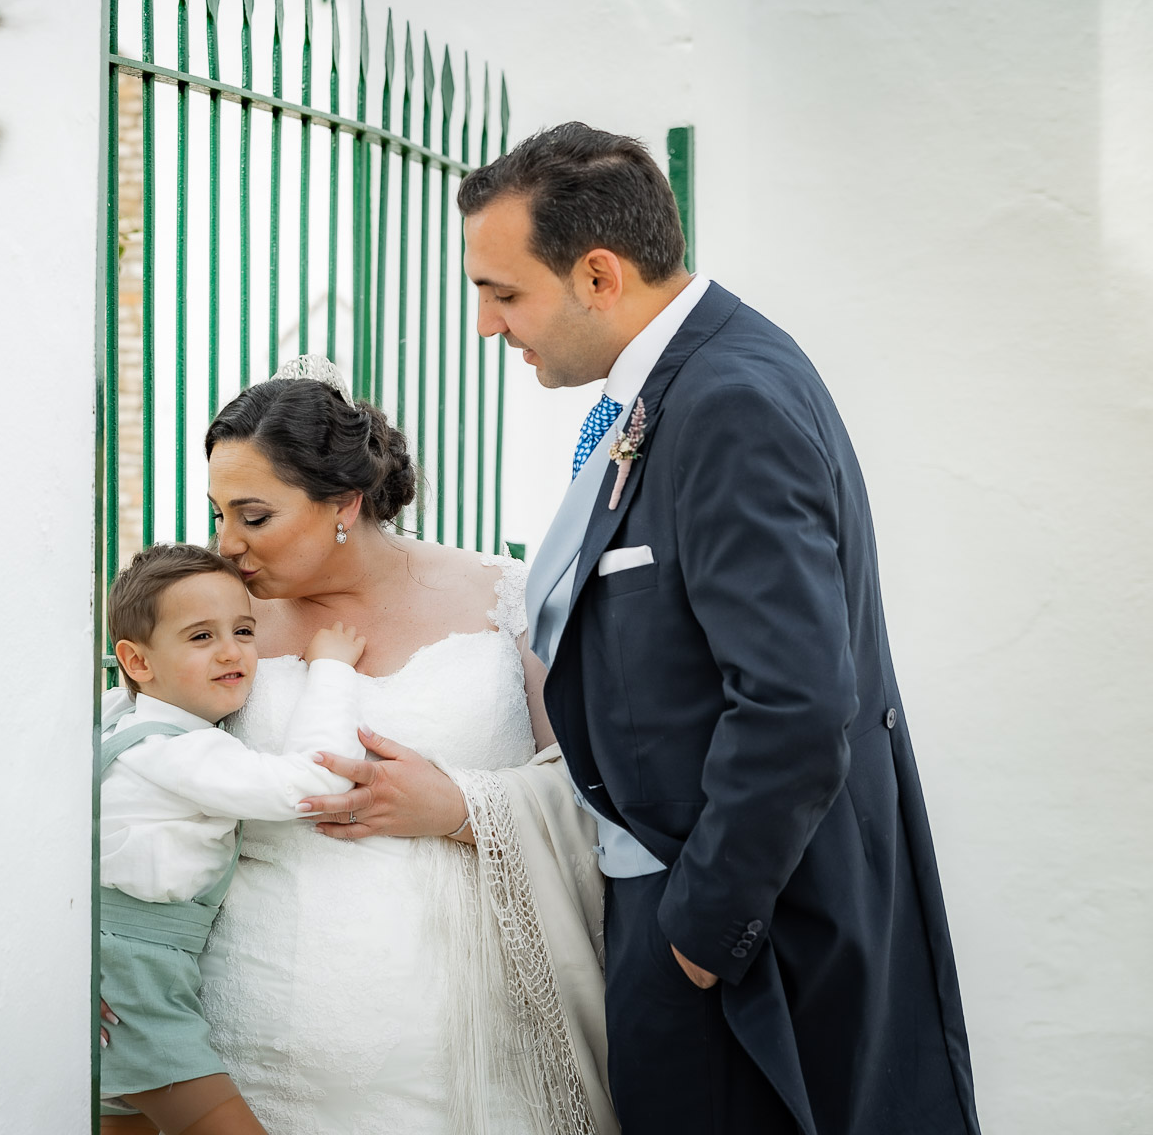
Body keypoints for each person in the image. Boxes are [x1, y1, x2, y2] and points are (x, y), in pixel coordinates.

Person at [299, 122, 983, 1135]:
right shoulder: (687, 378)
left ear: (601, 275)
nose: (486, 326)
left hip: (746, 940)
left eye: (503, 292)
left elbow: (797, 701)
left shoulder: (730, 399)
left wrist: (703, 928)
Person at [196, 366, 616, 1135]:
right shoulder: (219, 620)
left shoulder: (505, 597)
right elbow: (152, 770)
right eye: (218, 513)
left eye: (253, 517)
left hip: (472, 1050)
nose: (227, 545)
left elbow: (599, 789)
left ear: (345, 505)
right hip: (256, 1033)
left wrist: (462, 807)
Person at [97, 542, 370, 1135]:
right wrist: (331, 672)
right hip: (136, 984)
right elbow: (316, 781)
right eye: (200, 637)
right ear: (138, 662)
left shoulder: (116, 718)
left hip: (118, 975)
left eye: (244, 630)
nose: (232, 652)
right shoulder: (180, 752)